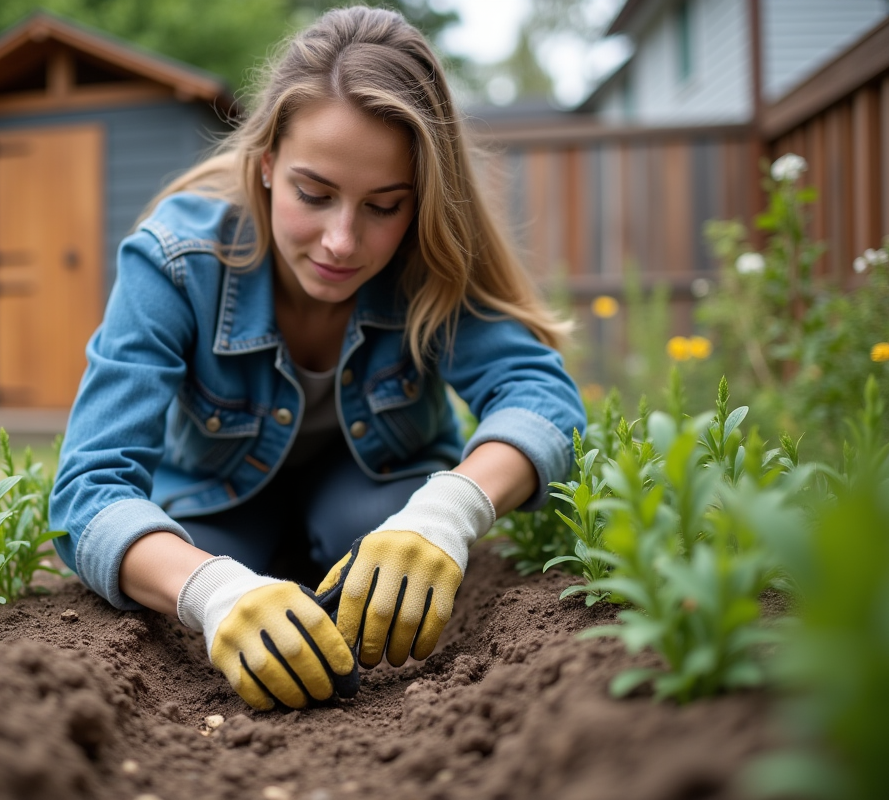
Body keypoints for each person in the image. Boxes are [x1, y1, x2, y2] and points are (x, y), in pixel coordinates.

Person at [50, 5, 586, 712]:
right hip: (220, 496)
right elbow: (88, 490)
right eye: (315, 194)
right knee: (206, 553)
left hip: (373, 488)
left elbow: (543, 400)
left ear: (419, 198)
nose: (342, 240)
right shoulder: (175, 262)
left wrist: (447, 514)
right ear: (268, 162)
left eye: (384, 205)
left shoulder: (425, 262)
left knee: (366, 537)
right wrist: (213, 590)